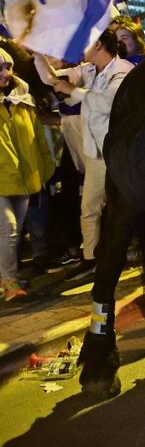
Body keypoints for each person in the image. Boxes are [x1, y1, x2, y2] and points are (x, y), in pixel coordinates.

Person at [35, 29, 133, 280]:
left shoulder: (122, 69)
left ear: (99, 45)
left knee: (125, 205)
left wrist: (73, 91)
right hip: (96, 154)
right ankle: (91, 258)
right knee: (89, 207)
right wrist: (38, 53)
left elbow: (108, 103)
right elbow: (52, 79)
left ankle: (129, 251)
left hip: (120, 153)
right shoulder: (88, 70)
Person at [0, 47, 55, 300]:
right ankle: (10, 282)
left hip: (25, 178)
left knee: (13, 232)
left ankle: (6, 278)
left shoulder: (24, 99)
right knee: (9, 229)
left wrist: (45, 167)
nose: (5, 72)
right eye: (0, 68)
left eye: (8, 67)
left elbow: (39, 141)